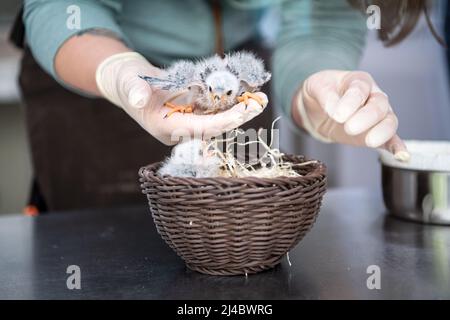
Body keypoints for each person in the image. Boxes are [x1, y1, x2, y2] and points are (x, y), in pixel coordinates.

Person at [16, 0, 432, 212]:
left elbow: (320, 19)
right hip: (90, 65)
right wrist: (119, 73)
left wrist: (313, 88)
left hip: (236, 68)